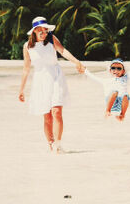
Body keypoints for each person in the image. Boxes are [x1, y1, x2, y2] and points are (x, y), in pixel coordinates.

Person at [19, 16, 85, 153]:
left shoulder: (51, 40)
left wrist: (77, 62)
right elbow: (26, 68)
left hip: (56, 77)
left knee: (56, 111)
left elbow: (63, 51)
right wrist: (21, 90)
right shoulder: (27, 46)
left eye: (45, 30)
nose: (44, 33)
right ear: (34, 32)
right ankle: (50, 143)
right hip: (41, 81)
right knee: (47, 115)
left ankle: (58, 144)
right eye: (40, 31)